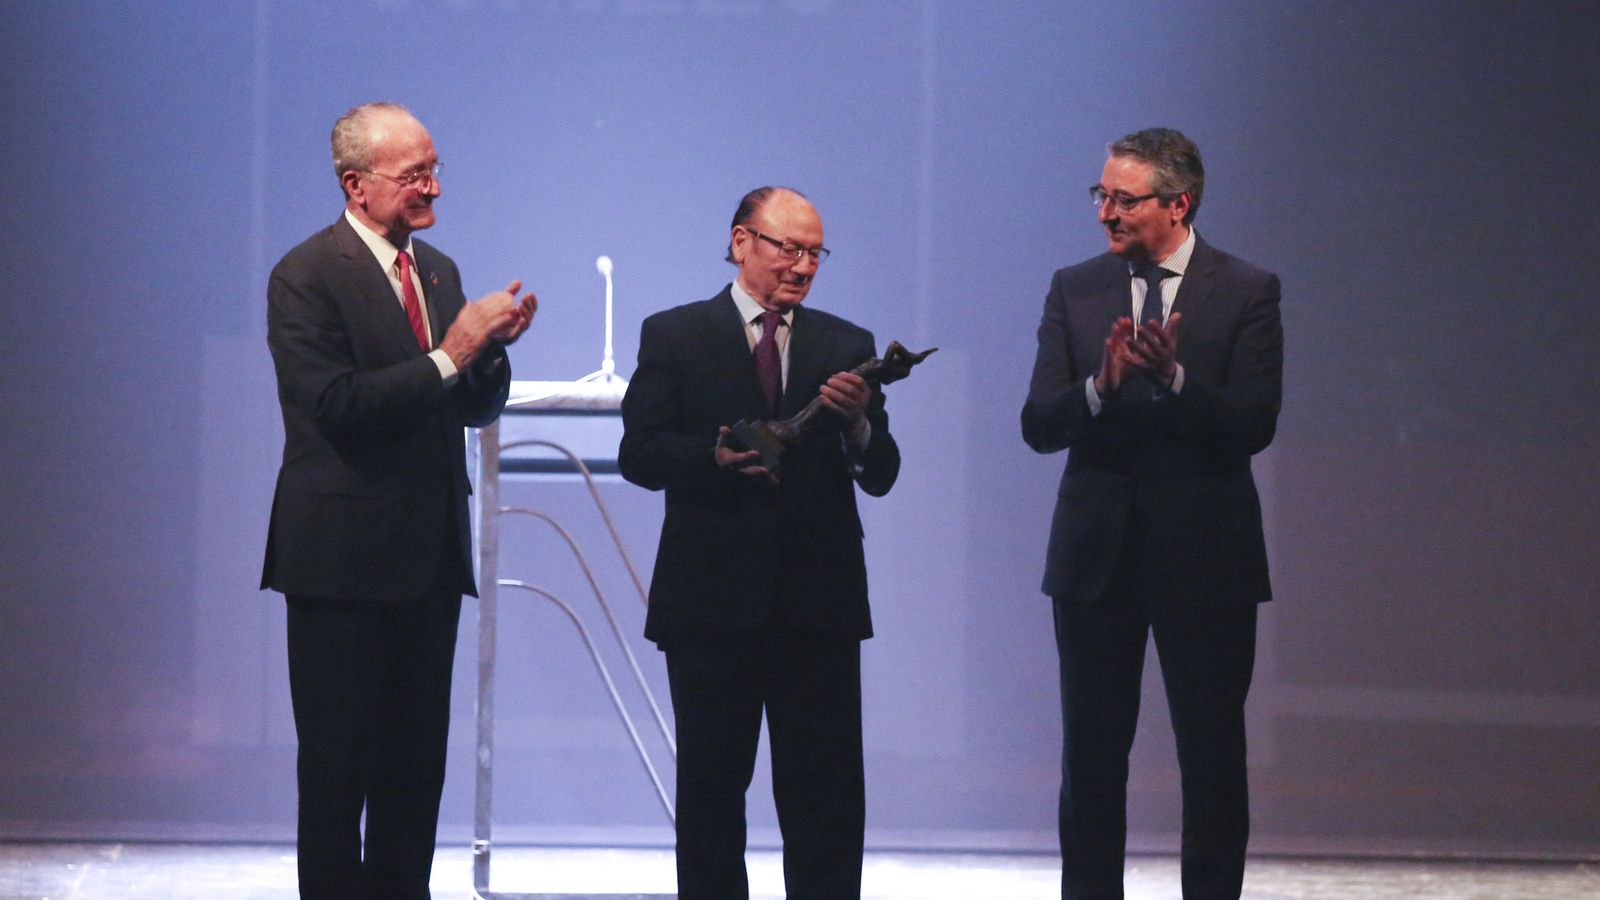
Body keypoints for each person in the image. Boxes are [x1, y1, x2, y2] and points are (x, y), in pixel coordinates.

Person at [261, 101, 537, 899]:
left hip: (424, 560)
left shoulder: (438, 270)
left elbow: (467, 407)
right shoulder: (306, 275)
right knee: (339, 775)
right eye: (414, 175)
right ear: (356, 185)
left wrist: (487, 358)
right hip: (341, 568)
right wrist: (453, 354)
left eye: (434, 169)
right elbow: (336, 407)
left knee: (415, 777)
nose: (433, 189)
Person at [1021, 128, 1283, 900]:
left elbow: (1253, 424)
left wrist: (1174, 379)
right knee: (1092, 761)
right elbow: (1039, 425)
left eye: (1123, 199)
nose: (1105, 212)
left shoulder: (1246, 290)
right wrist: (1099, 388)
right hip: (1095, 561)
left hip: (1206, 561)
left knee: (1210, 759)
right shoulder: (1076, 287)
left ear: (1179, 202)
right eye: (1100, 195)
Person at [619, 186, 900, 900]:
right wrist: (706, 459)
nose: (803, 266)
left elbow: (883, 473)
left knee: (826, 799)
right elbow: (640, 454)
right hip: (711, 603)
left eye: (815, 253)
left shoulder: (846, 344)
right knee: (712, 796)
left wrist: (861, 423)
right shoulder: (675, 334)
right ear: (743, 241)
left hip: (819, 603)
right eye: (789, 248)